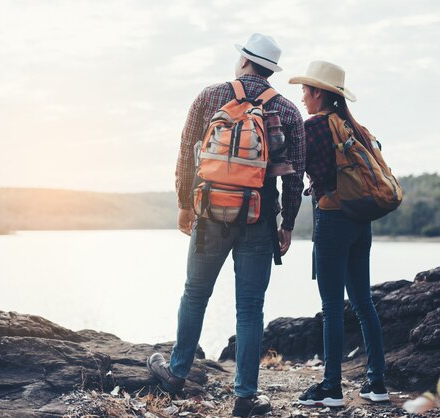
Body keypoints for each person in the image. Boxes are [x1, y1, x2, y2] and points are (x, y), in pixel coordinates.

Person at [147, 33, 305, 418]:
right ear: (270, 69)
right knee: (250, 308)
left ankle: (177, 372)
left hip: (210, 213)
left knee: (195, 294)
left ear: (245, 62)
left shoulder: (210, 96)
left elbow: (187, 152)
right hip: (259, 217)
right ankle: (245, 396)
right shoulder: (286, 110)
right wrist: (286, 223)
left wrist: (185, 205)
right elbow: (295, 175)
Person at [288, 61, 389, 407]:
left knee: (331, 307)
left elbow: (293, 170)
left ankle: (331, 387)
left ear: (318, 92)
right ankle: (377, 383)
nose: (302, 96)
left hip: (331, 220)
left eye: (305, 90)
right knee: (364, 303)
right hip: (361, 222)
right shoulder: (355, 128)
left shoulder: (314, 127)